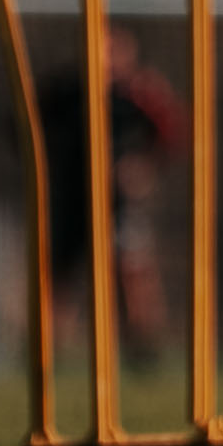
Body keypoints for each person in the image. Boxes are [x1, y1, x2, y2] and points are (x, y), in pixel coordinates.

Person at [40, 27, 185, 367]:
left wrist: (144, 165)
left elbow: (172, 132)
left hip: (118, 200)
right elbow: (27, 124)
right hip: (72, 196)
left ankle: (142, 347)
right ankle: (48, 348)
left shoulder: (139, 93)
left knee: (130, 271)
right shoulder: (66, 91)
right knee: (60, 274)